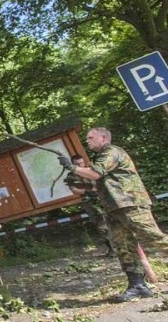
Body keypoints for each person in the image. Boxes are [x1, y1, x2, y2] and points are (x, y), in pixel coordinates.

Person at [58, 127, 167, 301]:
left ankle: (138, 285)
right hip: (114, 208)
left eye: (91, 137)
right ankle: (137, 285)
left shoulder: (111, 152)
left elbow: (94, 174)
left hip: (131, 204)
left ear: (103, 138)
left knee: (154, 237)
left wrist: (71, 167)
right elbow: (99, 184)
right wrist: (80, 185)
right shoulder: (101, 156)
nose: (88, 140)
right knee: (123, 246)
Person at [63, 154, 113, 255]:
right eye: (77, 164)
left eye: (81, 162)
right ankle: (111, 247)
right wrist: (87, 191)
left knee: (113, 221)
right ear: (73, 164)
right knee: (100, 225)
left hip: (103, 199)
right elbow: (75, 190)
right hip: (89, 202)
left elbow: (102, 183)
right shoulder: (71, 176)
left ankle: (120, 246)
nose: (80, 165)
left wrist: (92, 189)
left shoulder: (92, 170)